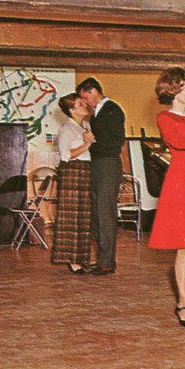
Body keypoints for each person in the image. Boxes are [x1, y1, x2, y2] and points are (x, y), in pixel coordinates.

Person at [147, 68, 185, 328]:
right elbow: (182, 141)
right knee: (184, 245)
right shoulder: (165, 117)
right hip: (182, 182)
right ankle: (182, 301)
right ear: (172, 91)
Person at [76, 77, 125, 276]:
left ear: (93, 91)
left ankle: (106, 262)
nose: (84, 102)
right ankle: (103, 258)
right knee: (97, 214)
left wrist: (91, 142)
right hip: (98, 165)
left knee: (105, 214)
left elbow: (115, 143)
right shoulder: (97, 114)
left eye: (84, 97)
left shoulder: (112, 110)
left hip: (107, 165)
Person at [50, 93, 96, 274]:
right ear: (71, 110)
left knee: (84, 217)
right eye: (79, 103)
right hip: (72, 171)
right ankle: (71, 260)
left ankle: (82, 258)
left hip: (85, 170)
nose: (84, 105)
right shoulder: (66, 129)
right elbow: (65, 155)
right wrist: (86, 144)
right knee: (71, 217)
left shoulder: (85, 126)